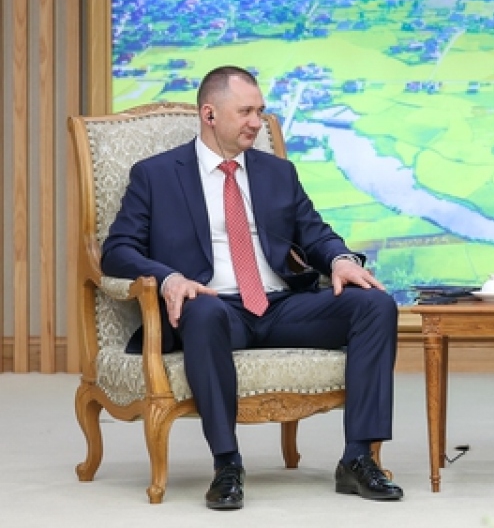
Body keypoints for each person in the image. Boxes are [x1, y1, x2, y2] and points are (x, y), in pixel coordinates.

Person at [102, 65, 402, 510]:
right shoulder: (157, 175)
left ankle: (358, 459)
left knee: (376, 305)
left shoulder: (277, 173)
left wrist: (340, 259)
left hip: (280, 306)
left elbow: (315, 233)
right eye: (245, 112)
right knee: (203, 312)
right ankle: (227, 465)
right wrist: (170, 278)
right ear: (209, 114)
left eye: (259, 111)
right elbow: (116, 250)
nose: (256, 122)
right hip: (214, 308)